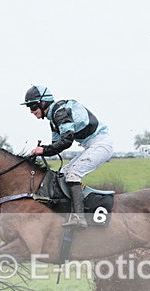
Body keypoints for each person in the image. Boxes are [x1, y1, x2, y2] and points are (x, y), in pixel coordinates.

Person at [21, 85, 114, 228]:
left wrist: (42, 150)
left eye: (33, 107)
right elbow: (56, 146)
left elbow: (66, 141)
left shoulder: (60, 113)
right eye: (29, 108)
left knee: (73, 174)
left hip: (101, 144)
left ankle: (79, 217)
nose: (31, 111)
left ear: (43, 102)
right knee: (63, 174)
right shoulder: (54, 119)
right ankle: (70, 212)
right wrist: (39, 152)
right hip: (91, 145)